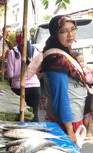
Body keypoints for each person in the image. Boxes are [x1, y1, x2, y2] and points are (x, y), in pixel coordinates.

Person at [41, 15, 88, 143]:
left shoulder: (65, 53)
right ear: (55, 34)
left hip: (71, 119)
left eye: (72, 29)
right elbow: (61, 98)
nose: (70, 35)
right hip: (66, 123)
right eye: (63, 31)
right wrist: (70, 131)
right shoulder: (57, 60)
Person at [7, 32, 41, 121]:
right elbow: (38, 71)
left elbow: (10, 75)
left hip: (18, 88)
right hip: (35, 87)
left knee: (20, 117)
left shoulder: (12, 52)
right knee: (34, 116)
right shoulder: (36, 51)